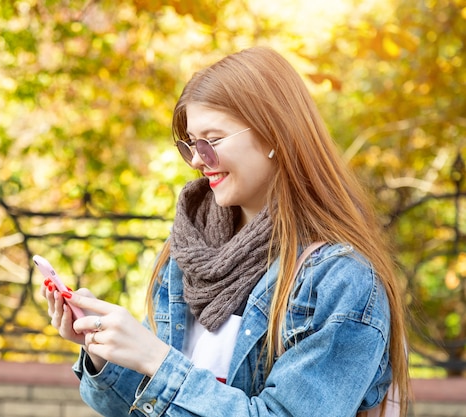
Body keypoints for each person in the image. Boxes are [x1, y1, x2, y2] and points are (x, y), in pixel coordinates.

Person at [44, 46, 409, 417]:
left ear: (274, 136)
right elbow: (141, 408)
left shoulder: (339, 280)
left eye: (212, 141)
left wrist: (157, 360)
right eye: (190, 145)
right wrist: (102, 352)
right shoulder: (186, 251)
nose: (198, 160)